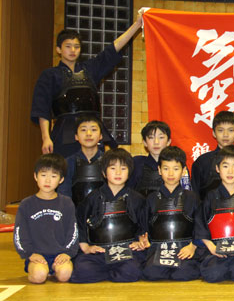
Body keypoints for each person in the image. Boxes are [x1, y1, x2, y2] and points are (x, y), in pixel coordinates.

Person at [30, 9, 145, 157]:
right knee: (66, 173)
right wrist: (46, 138)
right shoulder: (49, 75)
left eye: (76, 47)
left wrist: (136, 25)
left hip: (92, 129)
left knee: (97, 171)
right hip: (65, 131)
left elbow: (112, 49)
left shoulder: (89, 69)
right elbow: (42, 109)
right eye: (68, 46)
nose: (73, 50)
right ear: (59, 49)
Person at [70, 148, 147, 283]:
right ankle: (111, 271)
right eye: (112, 168)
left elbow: (143, 225)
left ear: (129, 173)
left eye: (123, 168)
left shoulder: (137, 199)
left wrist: (139, 241)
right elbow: (80, 223)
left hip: (126, 250)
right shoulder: (92, 198)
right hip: (99, 250)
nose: (118, 173)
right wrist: (85, 246)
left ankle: (107, 271)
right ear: (103, 172)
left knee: (131, 271)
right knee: (82, 271)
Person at [194, 145, 234, 283]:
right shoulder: (210, 196)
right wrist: (211, 246)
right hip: (216, 248)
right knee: (213, 274)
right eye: (225, 166)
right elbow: (201, 224)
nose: (230, 171)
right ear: (217, 169)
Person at [13, 153, 78, 283]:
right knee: (39, 276)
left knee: (65, 274)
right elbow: (20, 234)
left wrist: (67, 253)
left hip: (60, 255)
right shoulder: (26, 204)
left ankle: (53, 269)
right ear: (35, 176)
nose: (48, 181)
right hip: (37, 256)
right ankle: (44, 270)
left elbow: (73, 231)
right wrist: (30, 254)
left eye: (53, 176)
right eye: (43, 175)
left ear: (61, 179)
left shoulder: (66, 203)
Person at [141, 146, 201, 281]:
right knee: (151, 273)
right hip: (158, 247)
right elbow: (144, 226)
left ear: (183, 170)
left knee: (183, 274)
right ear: (159, 170)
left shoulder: (192, 197)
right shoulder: (151, 198)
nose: (171, 174)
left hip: (184, 247)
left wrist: (192, 246)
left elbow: (200, 226)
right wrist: (144, 240)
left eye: (176, 169)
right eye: (166, 168)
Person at [191, 111, 234, 201]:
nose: (225, 135)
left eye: (231, 130)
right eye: (220, 130)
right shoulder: (202, 162)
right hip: (208, 213)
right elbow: (195, 196)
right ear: (213, 133)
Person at [57, 115, 106, 207]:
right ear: (76, 136)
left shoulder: (109, 161)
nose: (88, 133)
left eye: (93, 130)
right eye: (83, 130)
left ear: (100, 136)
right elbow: (64, 194)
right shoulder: (68, 163)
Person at [128, 120, 172, 197]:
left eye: (161, 137)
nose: (156, 142)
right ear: (144, 142)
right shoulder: (136, 163)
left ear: (168, 141)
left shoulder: (176, 164)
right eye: (151, 137)